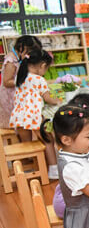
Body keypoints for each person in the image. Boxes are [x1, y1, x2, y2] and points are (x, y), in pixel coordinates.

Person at [9, 49, 61, 178]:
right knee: (48, 140)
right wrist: (57, 101)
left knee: (26, 144)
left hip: (19, 115)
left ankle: (29, 168)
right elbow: (48, 99)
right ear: (43, 65)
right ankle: (54, 170)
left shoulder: (20, 77)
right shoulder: (39, 80)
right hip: (33, 115)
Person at [1, 35, 42, 128]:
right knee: (18, 122)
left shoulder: (19, 58)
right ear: (21, 48)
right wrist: (25, 81)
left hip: (18, 94)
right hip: (10, 97)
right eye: (29, 50)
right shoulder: (11, 61)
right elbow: (6, 82)